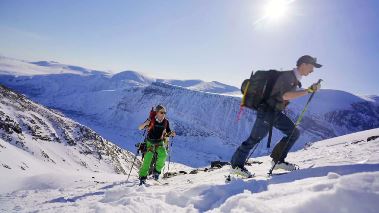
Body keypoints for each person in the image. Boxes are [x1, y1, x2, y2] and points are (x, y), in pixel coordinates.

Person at [230, 55, 322, 177]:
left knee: (293, 133)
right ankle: (236, 166)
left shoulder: (294, 78)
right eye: (311, 67)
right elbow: (284, 95)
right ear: (303, 64)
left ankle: (278, 161)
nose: (312, 71)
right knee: (254, 139)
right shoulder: (288, 76)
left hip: (275, 112)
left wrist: (308, 90)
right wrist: (308, 91)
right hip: (267, 112)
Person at [138, 104, 175, 185]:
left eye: (165, 112)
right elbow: (140, 128)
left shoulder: (166, 121)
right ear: (157, 112)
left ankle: (156, 173)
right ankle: (142, 178)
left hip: (159, 142)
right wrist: (146, 124)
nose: (163, 114)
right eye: (162, 112)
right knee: (147, 160)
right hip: (150, 143)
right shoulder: (151, 120)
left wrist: (171, 133)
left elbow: (168, 132)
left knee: (164, 155)